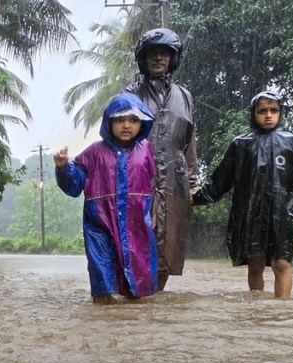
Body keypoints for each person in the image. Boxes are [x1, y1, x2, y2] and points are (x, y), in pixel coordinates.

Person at [191, 90, 293, 299]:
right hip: (250, 213)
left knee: (282, 262)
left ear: (280, 113)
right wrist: (196, 198)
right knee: (255, 262)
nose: (268, 115)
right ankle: (256, 309)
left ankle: (281, 310)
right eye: (262, 111)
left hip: (283, 213)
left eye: (274, 110)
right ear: (253, 114)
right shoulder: (241, 144)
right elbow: (222, 178)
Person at [54, 92, 158, 304]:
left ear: (142, 123)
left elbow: (154, 183)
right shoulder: (94, 152)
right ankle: (103, 319)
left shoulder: (145, 150)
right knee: (103, 278)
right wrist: (63, 167)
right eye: (119, 120)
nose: (126, 125)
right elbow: (74, 185)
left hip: (136, 224)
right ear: (109, 123)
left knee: (137, 281)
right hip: (99, 224)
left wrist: (155, 211)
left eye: (133, 120)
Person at [124, 28, 198, 291]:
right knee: (139, 240)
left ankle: (155, 298)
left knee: (169, 248)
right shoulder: (131, 93)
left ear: (172, 58)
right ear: (143, 59)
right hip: (140, 177)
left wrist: (191, 182)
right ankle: (138, 298)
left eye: (164, 53)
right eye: (152, 53)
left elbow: (189, 143)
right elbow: (119, 137)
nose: (158, 58)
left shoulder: (184, 96)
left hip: (175, 181)